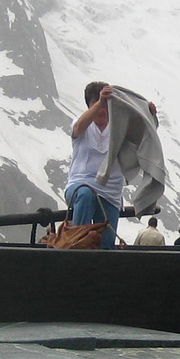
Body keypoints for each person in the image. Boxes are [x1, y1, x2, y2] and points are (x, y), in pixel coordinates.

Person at [66, 83, 126, 249]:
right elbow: (78, 128)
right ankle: (78, 244)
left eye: (107, 106)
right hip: (80, 186)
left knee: (106, 245)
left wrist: (148, 114)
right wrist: (101, 101)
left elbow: (141, 135)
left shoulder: (119, 129)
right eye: (98, 105)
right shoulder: (80, 124)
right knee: (85, 194)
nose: (102, 110)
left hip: (110, 193)